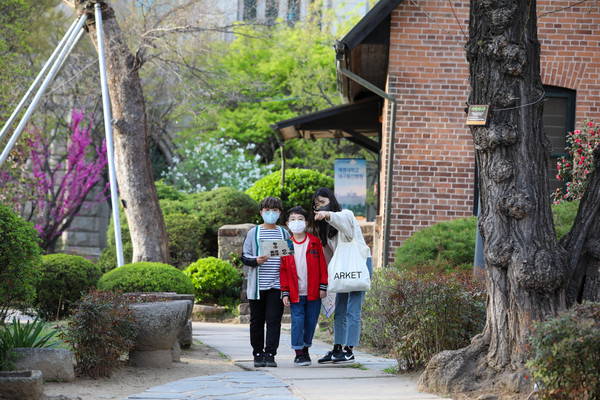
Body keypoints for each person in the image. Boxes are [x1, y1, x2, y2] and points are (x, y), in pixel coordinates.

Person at [311, 187, 373, 364]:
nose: (321, 207)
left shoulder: (346, 214)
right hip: (341, 269)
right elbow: (328, 255)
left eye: (324, 202)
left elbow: (342, 222)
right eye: (317, 205)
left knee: (353, 310)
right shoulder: (324, 229)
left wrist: (328, 215)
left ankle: (349, 350)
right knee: (339, 310)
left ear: (332, 200)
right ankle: (337, 348)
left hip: (359, 265)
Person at [241, 196, 290, 368]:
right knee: (256, 320)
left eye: (275, 210)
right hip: (257, 285)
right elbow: (244, 256)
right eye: (267, 210)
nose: (271, 213)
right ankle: (257, 353)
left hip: (277, 284)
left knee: (274, 320)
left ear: (279, 213)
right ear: (261, 213)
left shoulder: (284, 233)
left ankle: (270, 354)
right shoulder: (253, 233)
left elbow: (289, 258)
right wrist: (256, 260)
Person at [280, 206, 328, 366]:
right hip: (295, 292)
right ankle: (298, 353)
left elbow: (323, 265)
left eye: (300, 219)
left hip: (314, 291)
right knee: (297, 321)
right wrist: (285, 291)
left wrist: (323, 286)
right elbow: (283, 270)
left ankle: (306, 348)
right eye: (293, 219)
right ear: (287, 224)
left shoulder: (315, 242)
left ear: (306, 223)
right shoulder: (285, 245)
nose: (296, 222)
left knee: (310, 321)